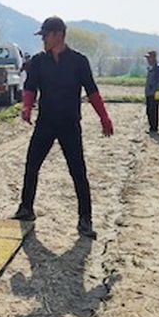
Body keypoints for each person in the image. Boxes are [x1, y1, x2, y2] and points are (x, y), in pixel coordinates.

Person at [12, 16, 115, 239]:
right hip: (45, 123)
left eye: (46, 36)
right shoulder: (39, 61)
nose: (43, 40)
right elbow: (30, 87)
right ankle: (26, 208)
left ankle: (85, 219)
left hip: (69, 124)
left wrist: (104, 117)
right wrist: (27, 106)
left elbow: (92, 91)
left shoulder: (79, 61)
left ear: (59, 34)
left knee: (78, 171)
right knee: (32, 165)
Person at [144, 50, 159, 133]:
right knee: (148, 111)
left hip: (155, 93)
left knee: (153, 111)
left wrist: (157, 94)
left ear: (153, 58)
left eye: (149, 58)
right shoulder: (150, 68)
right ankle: (151, 127)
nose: (148, 60)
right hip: (149, 93)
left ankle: (154, 128)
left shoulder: (158, 68)